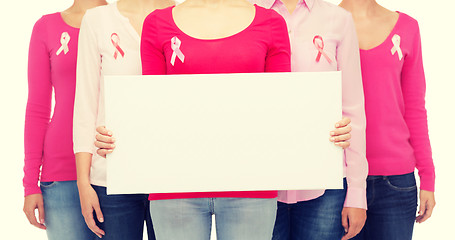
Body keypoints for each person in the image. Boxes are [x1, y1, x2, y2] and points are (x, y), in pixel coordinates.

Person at [95, 0, 355, 239]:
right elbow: (151, 110)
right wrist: (120, 139)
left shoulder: (271, 24)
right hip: (174, 186)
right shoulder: (158, 23)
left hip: (251, 185)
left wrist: (326, 130)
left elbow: (278, 111)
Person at [249, 1, 368, 240]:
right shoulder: (245, 15)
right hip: (261, 180)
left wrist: (357, 192)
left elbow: (352, 108)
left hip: (324, 184)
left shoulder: (339, 19)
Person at [73, 0, 174, 239]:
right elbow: (85, 105)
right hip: (111, 177)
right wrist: (83, 183)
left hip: (168, 175)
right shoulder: (97, 20)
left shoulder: (180, 18)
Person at [339, 0, 436, 239]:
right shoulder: (325, 24)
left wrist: (428, 176)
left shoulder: (407, 27)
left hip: (396, 181)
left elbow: (414, 108)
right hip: (339, 179)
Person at [22, 0, 107, 239]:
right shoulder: (47, 27)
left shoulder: (120, 22)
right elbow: (38, 109)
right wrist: (30, 183)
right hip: (62, 174)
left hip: (113, 168)